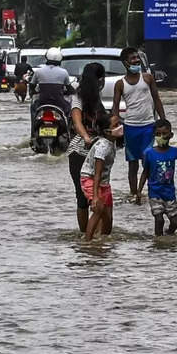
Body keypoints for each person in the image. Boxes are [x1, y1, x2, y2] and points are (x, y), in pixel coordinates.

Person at [112, 47, 166, 198]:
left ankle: (151, 192)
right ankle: (134, 193)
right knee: (133, 163)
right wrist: (114, 126)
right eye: (133, 59)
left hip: (149, 125)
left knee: (148, 161)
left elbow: (157, 99)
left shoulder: (148, 78)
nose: (136, 61)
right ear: (125, 63)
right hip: (130, 128)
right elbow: (115, 107)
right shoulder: (120, 84)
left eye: (137, 58)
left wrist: (163, 120)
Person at [69, 63, 116, 233]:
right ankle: (87, 237)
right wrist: (86, 137)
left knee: (102, 191)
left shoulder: (97, 100)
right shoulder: (78, 97)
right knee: (83, 196)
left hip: (99, 149)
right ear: (99, 79)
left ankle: (99, 239)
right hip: (80, 150)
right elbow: (77, 121)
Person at [136, 119, 177, 236]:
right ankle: (158, 242)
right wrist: (139, 191)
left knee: (175, 222)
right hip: (155, 193)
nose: (161, 137)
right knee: (159, 219)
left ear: (171, 135)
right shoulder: (149, 153)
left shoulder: (174, 152)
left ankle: (168, 235)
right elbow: (145, 172)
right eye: (158, 134)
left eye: (164, 134)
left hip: (169, 193)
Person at [81, 113, 121, 240]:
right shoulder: (102, 146)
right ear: (107, 131)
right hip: (90, 179)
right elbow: (96, 174)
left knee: (108, 216)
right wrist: (95, 197)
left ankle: (103, 241)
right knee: (98, 208)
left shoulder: (112, 142)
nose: (119, 127)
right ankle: (87, 242)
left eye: (119, 124)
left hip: (103, 182)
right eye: (116, 125)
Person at [30, 47, 73, 117]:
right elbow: (69, 89)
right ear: (60, 59)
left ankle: (33, 127)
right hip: (59, 103)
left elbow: (32, 86)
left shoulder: (38, 71)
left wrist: (34, 92)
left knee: (33, 108)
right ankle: (67, 126)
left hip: (42, 102)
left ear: (46, 58)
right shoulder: (64, 72)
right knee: (68, 109)